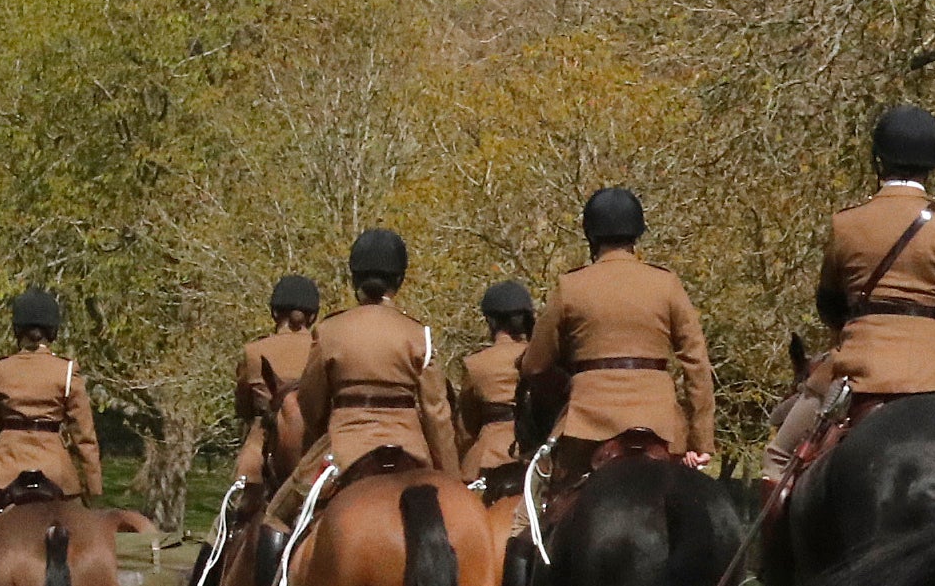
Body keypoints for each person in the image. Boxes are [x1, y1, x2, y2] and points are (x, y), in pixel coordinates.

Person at [741, 105, 935, 586]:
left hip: (861, 375)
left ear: (877, 159)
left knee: (780, 458)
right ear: (933, 165)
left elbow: (829, 305)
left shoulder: (847, 225)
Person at [516, 189, 717, 511]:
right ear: (637, 235)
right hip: (660, 423)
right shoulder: (666, 283)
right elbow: (696, 363)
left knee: (533, 508)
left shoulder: (571, 286)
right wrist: (701, 440)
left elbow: (535, 366)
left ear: (590, 235)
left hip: (589, 423)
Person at [266, 231, 459, 526]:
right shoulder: (420, 335)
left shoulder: (330, 331)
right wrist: (452, 478)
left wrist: (317, 436)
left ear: (354, 278)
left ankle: (279, 572)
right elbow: (436, 413)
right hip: (412, 450)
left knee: (275, 519)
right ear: (399, 280)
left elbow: (311, 403)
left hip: (344, 448)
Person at [0, 290, 101, 504]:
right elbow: (84, 436)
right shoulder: (67, 371)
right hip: (55, 469)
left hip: (5, 468)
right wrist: (93, 487)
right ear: (52, 330)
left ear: (17, 330)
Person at [232, 276, 320, 505]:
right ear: (312, 316)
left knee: (239, 495)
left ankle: (219, 537)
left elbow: (243, 408)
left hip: (266, 435)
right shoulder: (323, 349)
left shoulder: (253, 351)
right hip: (317, 436)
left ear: (274, 313)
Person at [454, 281, 532, 497]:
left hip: (489, 460)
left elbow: (465, 429)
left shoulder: (475, 364)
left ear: (490, 320)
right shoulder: (542, 358)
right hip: (534, 458)